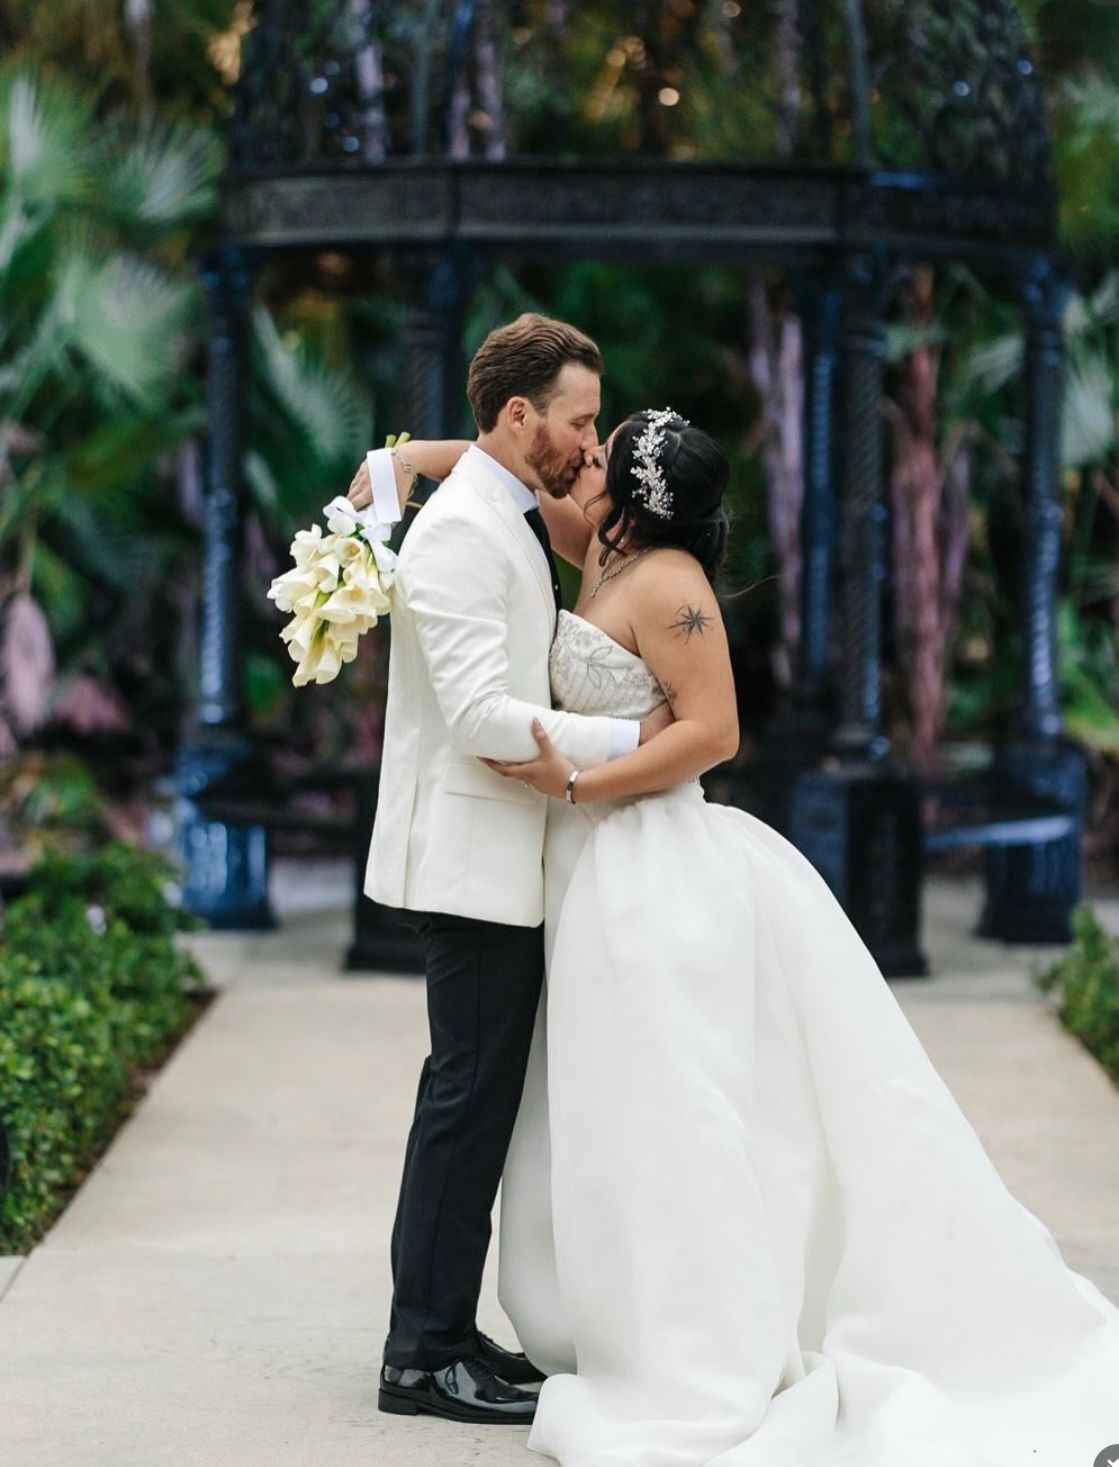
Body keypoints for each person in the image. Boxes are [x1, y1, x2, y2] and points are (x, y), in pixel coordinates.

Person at [382, 410, 1119, 1465]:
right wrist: (412, 462)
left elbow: (713, 735)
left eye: (598, 453)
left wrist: (579, 776)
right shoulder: (598, 545)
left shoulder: (670, 582)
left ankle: (704, 1333)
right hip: (591, 873)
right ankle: (618, 1309)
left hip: (656, 871)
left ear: (635, 491)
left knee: (683, 1108)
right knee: (612, 1111)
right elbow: (513, 466)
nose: (577, 462)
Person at [347, 316, 672, 1426]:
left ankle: (446, 1329)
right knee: (463, 1103)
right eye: (579, 421)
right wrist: (638, 749)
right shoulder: (461, 539)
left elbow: (478, 457)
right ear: (522, 416)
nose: (591, 444)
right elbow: (483, 717)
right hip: (470, 865)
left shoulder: (502, 505)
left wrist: (406, 457)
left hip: (504, 860)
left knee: (477, 1104)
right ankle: (419, 1353)